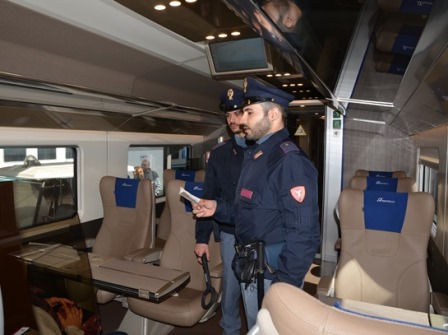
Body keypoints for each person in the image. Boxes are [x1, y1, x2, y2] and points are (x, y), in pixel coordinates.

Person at [193, 77, 321, 329]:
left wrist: (283, 287)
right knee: (256, 326)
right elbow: (249, 212)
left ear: (273, 114)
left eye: (249, 112)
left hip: (272, 273)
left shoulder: (289, 161)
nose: (241, 120)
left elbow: (304, 234)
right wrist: (217, 208)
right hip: (252, 265)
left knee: (268, 328)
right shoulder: (258, 154)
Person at [194, 87, 247, 335]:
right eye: (229, 116)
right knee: (231, 284)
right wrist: (202, 239)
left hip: (261, 232)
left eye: (238, 113)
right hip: (229, 231)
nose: (233, 120)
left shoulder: (264, 152)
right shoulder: (218, 155)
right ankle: (230, 329)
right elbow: (208, 196)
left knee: (257, 288)